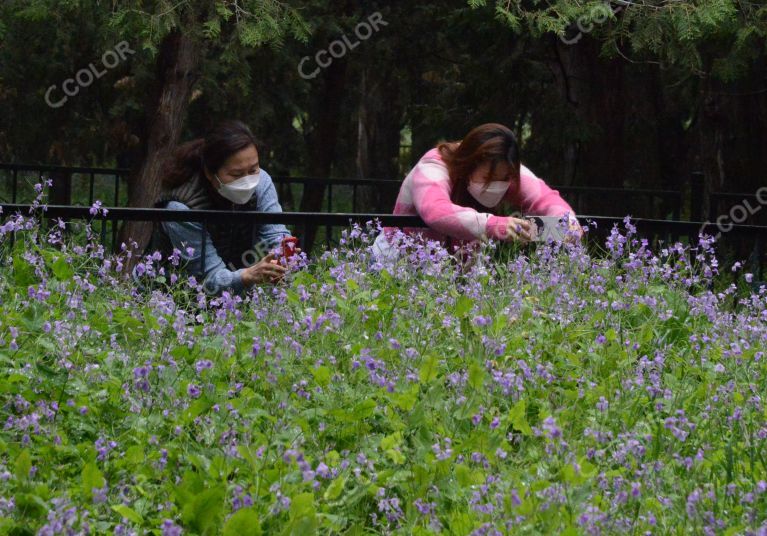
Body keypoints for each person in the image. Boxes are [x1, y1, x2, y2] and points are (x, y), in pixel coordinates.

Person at [372, 123, 583, 259]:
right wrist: (496, 225)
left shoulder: (506, 166)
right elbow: (436, 211)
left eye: (505, 180)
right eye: (488, 179)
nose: (498, 186)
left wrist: (566, 224)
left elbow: (544, 198)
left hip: (455, 270)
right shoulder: (432, 167)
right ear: (468, 166)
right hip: (397, 263)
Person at [138, 120, 294, 295]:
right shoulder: (181, 207)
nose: (248, 180)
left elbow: (275, 234)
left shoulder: (262, 182)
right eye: (236, 174)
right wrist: (246, 276)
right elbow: (208, 279)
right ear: (209, 173)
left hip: (231, 297)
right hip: (169, 298)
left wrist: (284, 257)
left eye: (253, 170)